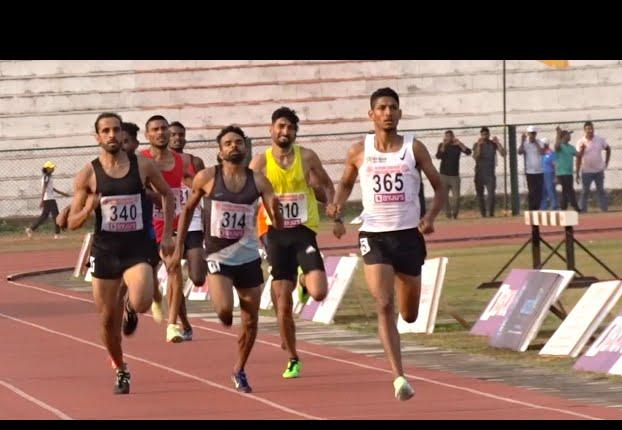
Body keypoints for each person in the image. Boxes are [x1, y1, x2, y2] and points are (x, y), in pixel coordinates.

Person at [327, 87, 445, 401]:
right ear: (371, 114)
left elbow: (440, 186)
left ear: (400, 113)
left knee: (408, 314)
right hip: (373, 235)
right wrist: (337, 206)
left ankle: (401, 353)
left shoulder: (413, 148)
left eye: (393, 107)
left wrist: (430, 215)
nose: (388, 113)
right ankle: (399, 377)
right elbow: (346, 182)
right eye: (381, 107)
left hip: (408, 236)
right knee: (383, 303)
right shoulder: (358, 150)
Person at [66, 112, 175, 394]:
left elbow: (168, 194)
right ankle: (121, 367)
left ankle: (129, 306)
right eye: (106, 131)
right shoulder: (88, 174)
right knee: (106, 322)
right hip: (105, 252)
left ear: (122, 135)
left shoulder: (142, 165)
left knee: (140, 301)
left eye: (116, 130)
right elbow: (71, 222)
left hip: (136, 248)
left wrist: (166, 235)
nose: (112, 135)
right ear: (98, 137)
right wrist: (90, 206)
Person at [169, 125, 283, 393]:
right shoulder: (207, 177)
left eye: (238, 143)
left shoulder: (258, 181)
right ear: (220, 151)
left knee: (251, 320)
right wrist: (178, 247)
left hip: (248, 257)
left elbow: (274, 219)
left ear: (245, 148)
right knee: (224, 313)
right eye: (228, 143)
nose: (234, 146)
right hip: (218, 256)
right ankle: (225, 319)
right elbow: (187, 210)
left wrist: (276, 214)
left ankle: (239, 368)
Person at [249, 107, 334, 379]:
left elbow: (328, 185)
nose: (285, 132)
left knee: (319, 292)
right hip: (273, 233)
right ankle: (293, 357)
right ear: (271, 129)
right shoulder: (260, 162)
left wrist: (333, 205)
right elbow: (246, 194)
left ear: (295, 132)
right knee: (283, 304)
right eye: (281, 126)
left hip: (303, 230)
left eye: (290, 128)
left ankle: (303, 281)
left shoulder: (307, 156)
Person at [141, 115, 193, 342]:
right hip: (145, 224)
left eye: (165, 129)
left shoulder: (182, 160)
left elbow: (196, 184)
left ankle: (172, 324)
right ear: (148, 135)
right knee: (150, 276)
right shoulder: (140, 160)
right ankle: (155, 297)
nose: (162, 133)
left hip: (173, 221)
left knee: (174, 269)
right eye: (156, 129)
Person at [168, 121, 207, 289]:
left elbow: (206, 190)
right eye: (173, 135)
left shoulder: (195, 162)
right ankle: (176, 315)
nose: (177, 138)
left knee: (198, 277)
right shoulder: (155, 163)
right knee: (173, 276)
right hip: (168, 225)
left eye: (181, 135)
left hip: (193, 223)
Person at [26, 161, 70, 239]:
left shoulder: (47, 177)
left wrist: (62, 193)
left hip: (49, 199)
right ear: (47, 168)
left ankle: (31, 229)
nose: (53, 169)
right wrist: (42, 200)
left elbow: (51, 188)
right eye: (51, 168)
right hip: (49, 199)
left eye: (53, 167)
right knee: (56, 216)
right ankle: (57, 234)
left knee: (44, 216)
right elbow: (44, 188)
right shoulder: (46, 177)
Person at [435, 130, 471, 219]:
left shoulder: (457, 146)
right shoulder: (441, 145)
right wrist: (443, 145)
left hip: (455, 176)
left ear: (453, 137)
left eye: (450, 136)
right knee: (444, 197)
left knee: (456, 197)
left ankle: (455, 214)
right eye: (446, 136)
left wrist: (460, 144)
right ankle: (448, 214)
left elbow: (468, 152)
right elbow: (438, 156)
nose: (448, 138)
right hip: (443, 175)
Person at [576, 121, 611, 212]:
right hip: (586, 171)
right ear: (584, 130)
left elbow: (608, 149)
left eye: (591, 128)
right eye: (588, 129)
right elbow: (578, 157)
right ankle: (582, 209)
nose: (590, 131)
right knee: (585, 191)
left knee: (601, 190)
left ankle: (604, 209)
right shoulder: (581, 142)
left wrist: (606, 162)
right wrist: (577, 172)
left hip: (599, 170)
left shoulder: (599, 139)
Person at [472, 127, 505, 217]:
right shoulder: (477, 144)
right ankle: (483, 214)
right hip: (479, 173)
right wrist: (479, 145)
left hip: (490, 173)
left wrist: (498, 143)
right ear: (481, 135)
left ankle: (491, 213)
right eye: (483, 135)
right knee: (480, 195)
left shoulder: (492, 144)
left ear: (489, 135)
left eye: (486, 134)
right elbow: (475, 157)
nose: (484, 136)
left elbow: (503, 153)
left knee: (491, 195)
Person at [518, 125, 544, 210]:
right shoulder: (525, 144)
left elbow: (542, 152)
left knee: (539, 192)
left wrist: (535, 142)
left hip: (539, 171)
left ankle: (537, 208)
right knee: (532, 192)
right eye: (530, 133)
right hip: (530, 172)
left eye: (533, 133)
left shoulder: (539, 142)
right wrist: (522, 141)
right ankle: (531, 209)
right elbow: (519, 152)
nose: (532, 135)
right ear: (528, 134)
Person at [554, 127, 580, 212]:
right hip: (561, 173)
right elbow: (556, 146)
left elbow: (578, 154)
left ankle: (564, 207)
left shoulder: (571, 147)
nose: (570, 136)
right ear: (564, 136)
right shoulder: (560, 146)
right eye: (568, 134)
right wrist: (558, 134)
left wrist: (583, 149)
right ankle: (574, 206)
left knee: (567, 190)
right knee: (568, 189)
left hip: (569, 173)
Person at [540, 138, 558, 210]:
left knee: (551, 190)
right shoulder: (542, 154)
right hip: (542, 173)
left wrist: (556, 176)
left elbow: (555, 165)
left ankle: (554, 206)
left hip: (550, 173)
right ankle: (543, 206)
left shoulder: (551, 153)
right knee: (543, 190)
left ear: (545, 145)